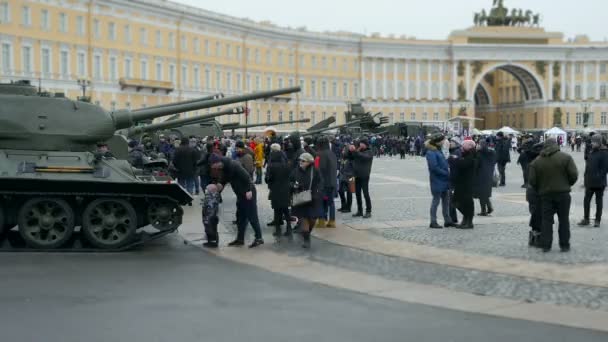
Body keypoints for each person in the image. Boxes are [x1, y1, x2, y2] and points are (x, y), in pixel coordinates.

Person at [528, 138, 578, 252]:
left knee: (546, 220)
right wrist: (567, 184)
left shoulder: (536, 162)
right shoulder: (566, 158)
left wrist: (540, 188)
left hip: (546, 195)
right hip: (563, 194)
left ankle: (546, 245)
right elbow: (574, 175)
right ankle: (564, 245)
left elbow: (532, 181)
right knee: (564, 219)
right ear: (556, 145)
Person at [209, 154, 264, 248]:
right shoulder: (223, 169)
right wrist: (216, 191)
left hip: (248, 192)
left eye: (213, 165)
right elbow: (222, 181)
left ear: (218, 162)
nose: (212, 167)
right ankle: (240, 239)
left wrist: (248, 190)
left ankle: (259, 238)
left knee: (252, 216)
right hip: (240, 194)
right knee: (240, 217)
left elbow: (247, 177)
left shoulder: (234, 165)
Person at [290, 153, 323, 249]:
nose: (300, 162)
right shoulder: (295, 171)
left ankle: (307, 232)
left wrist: (318, 192)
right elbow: (290, 181)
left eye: (303, 161)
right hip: (301, 199)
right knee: (304, 219)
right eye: (300, 160)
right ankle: (306, 240)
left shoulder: (315, 170)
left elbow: (320, 182)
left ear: (309, 162)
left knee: (312, 219)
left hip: (313, 199)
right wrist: (294, 186)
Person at [425, 134, 455, 229]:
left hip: (444, 180)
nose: (444, 142)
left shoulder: (438, 150)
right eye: (442, 140)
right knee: (436, 201)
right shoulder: (431, 152)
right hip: (437, 180)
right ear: (438, 141)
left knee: (446, 201)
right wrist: (446, 173)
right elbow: (434, 167)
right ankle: (433, 221)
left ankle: (447, 220)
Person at [578, 134, 608, 228]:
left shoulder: (604, 152)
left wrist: (598, 177)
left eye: (594, 142)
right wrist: (585, 178)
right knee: (586, 201)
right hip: (589, 182)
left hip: (599, 182)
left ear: (599, 142)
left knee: (598, 201)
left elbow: (605, 169)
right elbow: (588, 165)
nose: (592, 143)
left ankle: (597, 220)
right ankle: (586, 219)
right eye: (592, 141)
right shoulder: (591, 151)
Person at [265, 148, 293, 238]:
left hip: (275, 190)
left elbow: (268, 179)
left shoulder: (271, 166)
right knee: (286, 210)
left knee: (277, 210)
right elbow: (291, 177)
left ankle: (278, 230)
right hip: (286, 190)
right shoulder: (287, 165)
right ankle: (289, 228)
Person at [452, 139, 478, 229]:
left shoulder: (472, 155)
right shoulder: (466, 154)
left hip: (468, 183)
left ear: (469, 147)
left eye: (463, 146)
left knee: (467, 202)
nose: (461, 148)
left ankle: (469, 221)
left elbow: (463, 164)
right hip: (462, 182)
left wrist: (456, 160)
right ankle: (465, 219)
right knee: (458, 201)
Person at [349, 138, 373, 218]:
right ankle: (360, 210)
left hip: (365, 176)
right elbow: (350, 157)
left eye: (362, 143)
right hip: (357, 175)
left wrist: (356, 151)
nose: (360, 144)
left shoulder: (369, 152)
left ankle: (368, 211)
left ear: (366, 144)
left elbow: (363, 157)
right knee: (357, 194)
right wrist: (352, 150)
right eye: (360, 143)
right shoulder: (358, 151)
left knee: (366, 193)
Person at [316, 137, 338, 228]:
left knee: (321, 201)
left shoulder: (319, 155)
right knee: (331, 202)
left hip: (323, 182)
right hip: (332, 181)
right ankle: (332, 221)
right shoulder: (332, 154)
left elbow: (317, 168)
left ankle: (321, 220)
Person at [474, 139, 496, 216]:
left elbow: (476, 165)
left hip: (480, 176)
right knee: (485, 193)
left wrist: (476, 152)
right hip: (489, 175)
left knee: (481, 194)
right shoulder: (492, 153)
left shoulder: (479, 154)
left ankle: (484, 211)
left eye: (479, 144)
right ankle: (489, 207)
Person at [202, 183, 222, 248]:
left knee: (210, 229)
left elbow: (207, 207)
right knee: (212, 229)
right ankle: (211, 241)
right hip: (212, 217)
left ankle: (212, 242)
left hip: (209, 217)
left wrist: (206, 218)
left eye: (207, 189)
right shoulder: (215, 196)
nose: (206, 190)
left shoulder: (210, 197)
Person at [338, 146, 354, 213]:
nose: (342, 151)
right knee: (340, 191)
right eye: (342, 150)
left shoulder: (351, 158)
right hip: (342, 176)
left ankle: (348, 207)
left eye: (344, 150)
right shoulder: (342, 158)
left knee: (349, 192)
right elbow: (341, 167)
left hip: (350, 177)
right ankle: (343, 205)